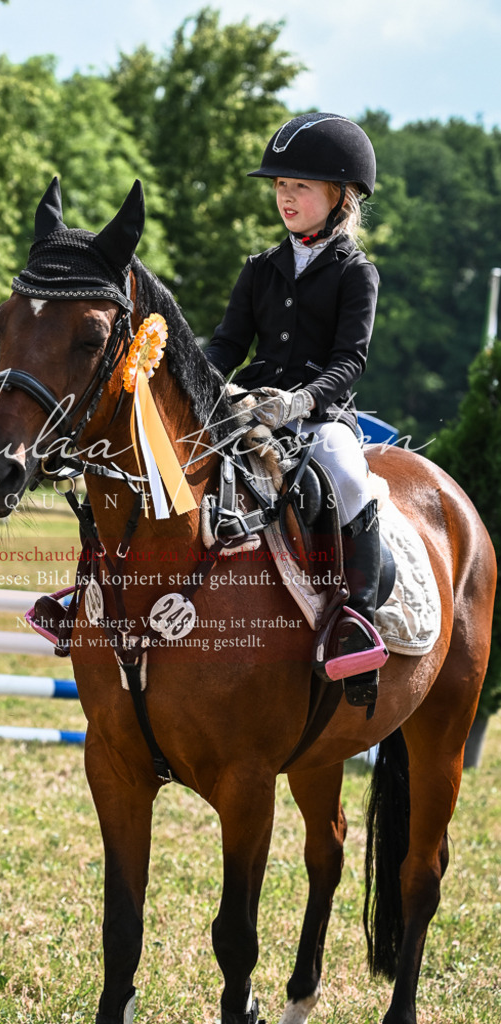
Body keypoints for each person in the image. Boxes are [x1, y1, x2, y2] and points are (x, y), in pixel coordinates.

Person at [205, 112, 384, 710]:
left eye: (300, 186)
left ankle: (357, 622)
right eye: (280, 185)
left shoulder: (356, 273)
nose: (285, 196)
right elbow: (228, 345)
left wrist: (302, 401)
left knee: (350, 477)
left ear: (339, 196)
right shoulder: (260, 267)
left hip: (319, 414)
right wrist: (195, 380)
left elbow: (350, 360)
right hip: (250, 405)